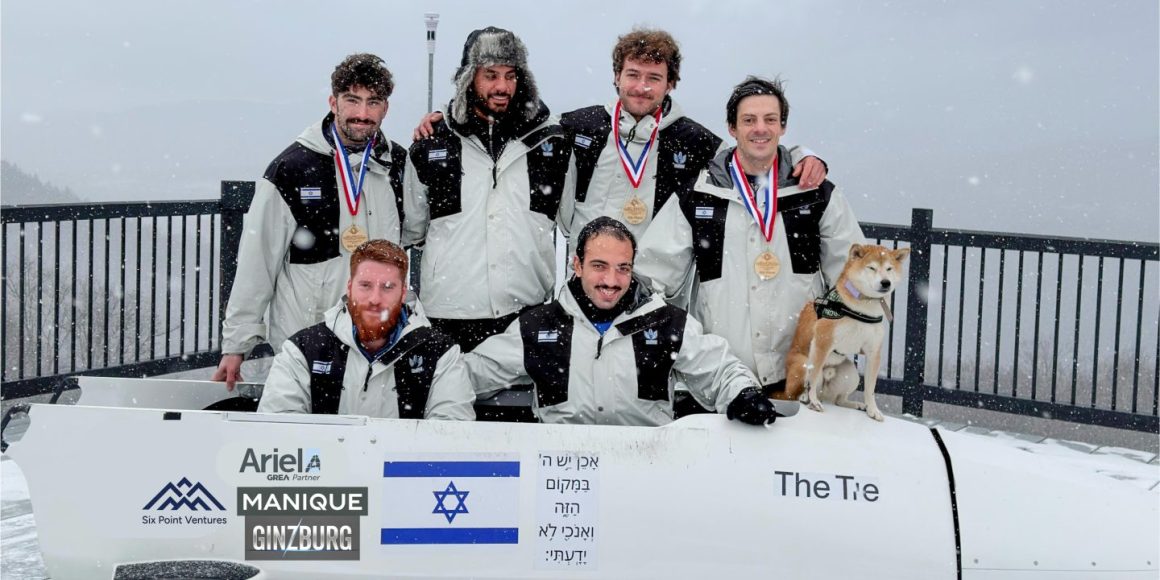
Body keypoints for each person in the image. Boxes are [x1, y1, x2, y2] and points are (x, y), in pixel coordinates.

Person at [635, 77, 865, 398]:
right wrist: (690, 351)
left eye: (770, 119)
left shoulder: (816, 194)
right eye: (749, 120)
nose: (760, 129)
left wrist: (835, 342)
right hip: (721, 383)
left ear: (783, 126)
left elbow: (856, 281)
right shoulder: (698, 195)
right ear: (732, 128)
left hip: (806, 380)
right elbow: (651, 280)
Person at [463, 217, 785, 426]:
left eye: (623, 268)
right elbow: (471, 373)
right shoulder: (539, 327)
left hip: (643, 468)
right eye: (599, 266)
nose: (611, 280)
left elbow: (719, 369)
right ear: (577, 265)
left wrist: (742, 393)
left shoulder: (664, 322)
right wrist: (437, 372)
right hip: (562, 473)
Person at [215, 53, 407, 390]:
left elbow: (419, 232)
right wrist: (236, 345)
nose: (362, 114)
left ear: (385, 108)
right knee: (303, 423)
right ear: (333, 103)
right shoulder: (292, 168)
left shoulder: (397, 165)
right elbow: (258, 260)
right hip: (307, 341)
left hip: (379, 341)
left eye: (373, 102)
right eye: (352, 100)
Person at [556, 28, 827, 259]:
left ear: (670, 84)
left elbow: (750, 158)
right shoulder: (579, 127)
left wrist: (800, 156)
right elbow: (535, 134)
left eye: (654, 78)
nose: (642, 87)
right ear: (617, 76)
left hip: (657, 289)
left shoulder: (697, 142)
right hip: (584, 279)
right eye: (633, 75)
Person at [403, 27, 572, 352]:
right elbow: (409, 231)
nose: (502, 87)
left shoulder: (550, 142)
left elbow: (573, 223)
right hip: (447, 316)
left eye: (511, 75)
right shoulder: (430, 144)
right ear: (469, 78)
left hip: (526, 313)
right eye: (491, 75)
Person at [258, 240, 475, 419]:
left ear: (403, 293)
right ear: (349, 287)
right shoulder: (302, 350)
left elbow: (451, 438)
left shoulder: (441, 353)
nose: (375, 299)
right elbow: (279, 434)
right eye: (365, 285)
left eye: (387, 287)